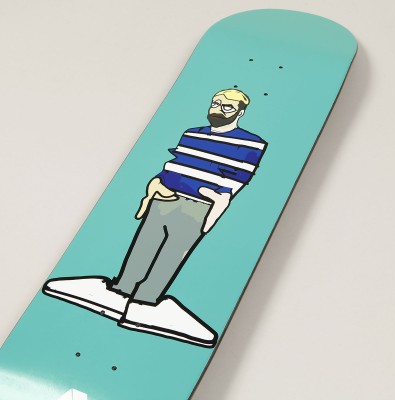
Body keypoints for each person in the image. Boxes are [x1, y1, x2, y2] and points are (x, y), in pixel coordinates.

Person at [43, 89, 267, 347]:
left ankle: (145, 303)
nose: (218, 109)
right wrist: (155, 186)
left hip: (198, 205)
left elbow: (235, 183)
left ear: (240, 112)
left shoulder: (251, 144)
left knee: (171, 254)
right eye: (216, 103)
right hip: (164, 197)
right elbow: (174, 164)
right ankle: (122, 290)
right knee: (143, 246)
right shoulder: (192, 134)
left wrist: (214, 211)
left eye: (227, 106)